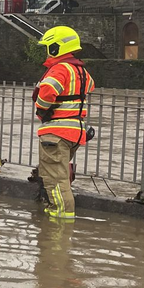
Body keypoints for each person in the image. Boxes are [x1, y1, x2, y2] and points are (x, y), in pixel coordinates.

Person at [33, 26, 96, 222]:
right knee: (62, 175)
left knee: (56, 180)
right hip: (75, 131)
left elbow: (48, 90)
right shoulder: (81, 70)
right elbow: (91, 85)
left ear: (55, 47)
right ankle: (58, 216)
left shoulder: (60, 68)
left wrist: (41, 109)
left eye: (48, 46)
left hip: (56, 133)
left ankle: (59, 222)